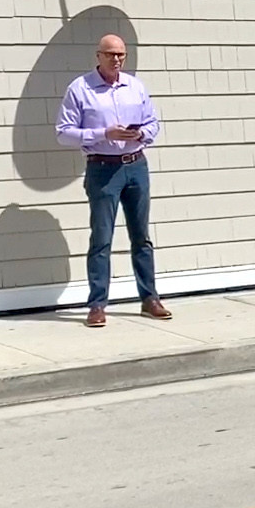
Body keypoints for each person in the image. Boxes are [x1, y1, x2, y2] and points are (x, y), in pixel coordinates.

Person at [56, 34, 172, 328]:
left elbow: (153, 122)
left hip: (136, 165)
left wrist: (141, 133)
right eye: (110, 54)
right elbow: (63, 132)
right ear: (98, 56)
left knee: (141, 236)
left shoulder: (135, 86)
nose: (116, 59)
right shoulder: (80, 89)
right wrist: (102, 134)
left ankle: (149, 299)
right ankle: (97, 305)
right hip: (102, 168)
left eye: (121, 54)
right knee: (102, 238)